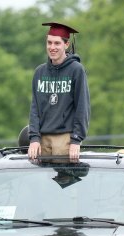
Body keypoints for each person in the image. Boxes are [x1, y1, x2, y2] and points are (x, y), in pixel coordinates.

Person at [28, 22, 90, 163]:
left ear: (66, 45)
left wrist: (76, 140)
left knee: (64, 183)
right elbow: (35, 108)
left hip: (65, 139)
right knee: (41, 183)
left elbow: (82, 107)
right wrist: (34, 138)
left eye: (57, 43)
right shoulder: (39, 72)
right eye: (49, 43)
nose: (52, 47)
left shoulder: (76, 70)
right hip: (42, 140)